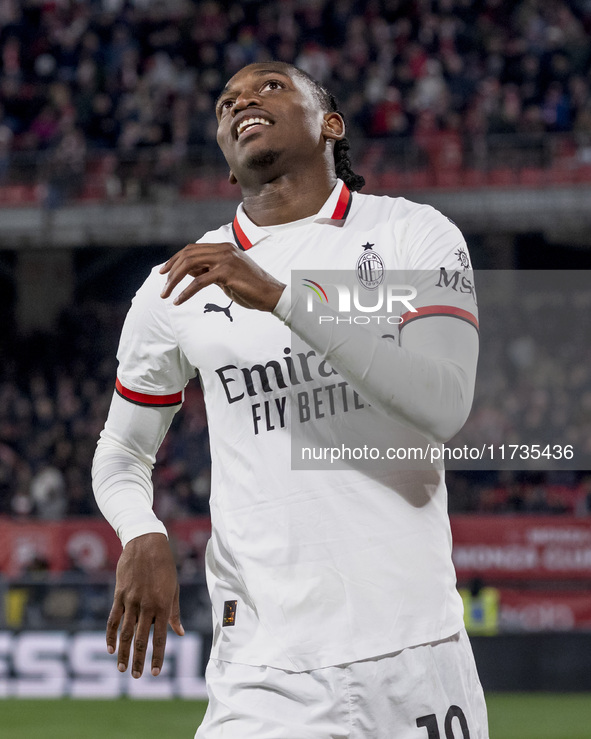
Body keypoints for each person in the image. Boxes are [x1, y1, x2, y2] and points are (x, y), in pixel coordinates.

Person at [92, 61, 488, 738]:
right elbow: (122, 451)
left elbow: (446, 403)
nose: (242, 100)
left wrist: (281, 297)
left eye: (269, 85)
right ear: (225, 160)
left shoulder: (412, 235)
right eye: (226, 102)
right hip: (263, 670)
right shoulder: (178, 283)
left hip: (415, 649)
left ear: (329, 123)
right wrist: (142, 531)